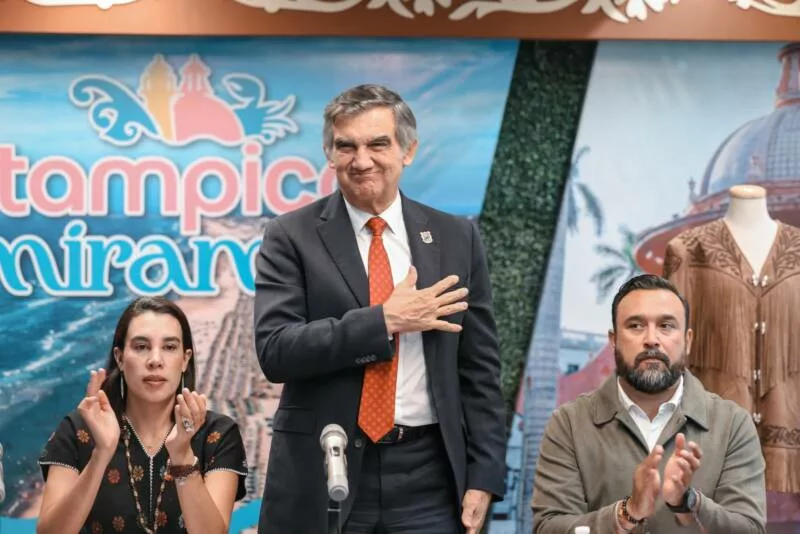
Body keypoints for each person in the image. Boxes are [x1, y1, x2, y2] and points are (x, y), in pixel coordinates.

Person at [254, 83, 506, 533]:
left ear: (408, 151)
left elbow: (480, 368)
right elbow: (276, 350)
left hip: (430, 476)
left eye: (377, 144)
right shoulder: (291, 236)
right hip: (325, 468)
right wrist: (384, 320)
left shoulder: (456, 238)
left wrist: (484, 474)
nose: (361, 160)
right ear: (329, 154)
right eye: (346, 146)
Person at [531, 274, 767, 534]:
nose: (652, 339)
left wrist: (689, 502)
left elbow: (750, 530)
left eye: (666, 325)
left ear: (687, 340)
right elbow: (548, 528)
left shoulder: (732, 425)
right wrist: (626, 513)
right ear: (614, 341)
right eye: (635, 325)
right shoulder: (569, 424)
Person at [37, 296, 248, 534]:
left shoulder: (218, 433)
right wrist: (101, 454)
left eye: (169, 347)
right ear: (119, 358)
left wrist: (182, 456)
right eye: (141, 347)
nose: (155, 361)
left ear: (185, 360)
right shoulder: (80, 429)